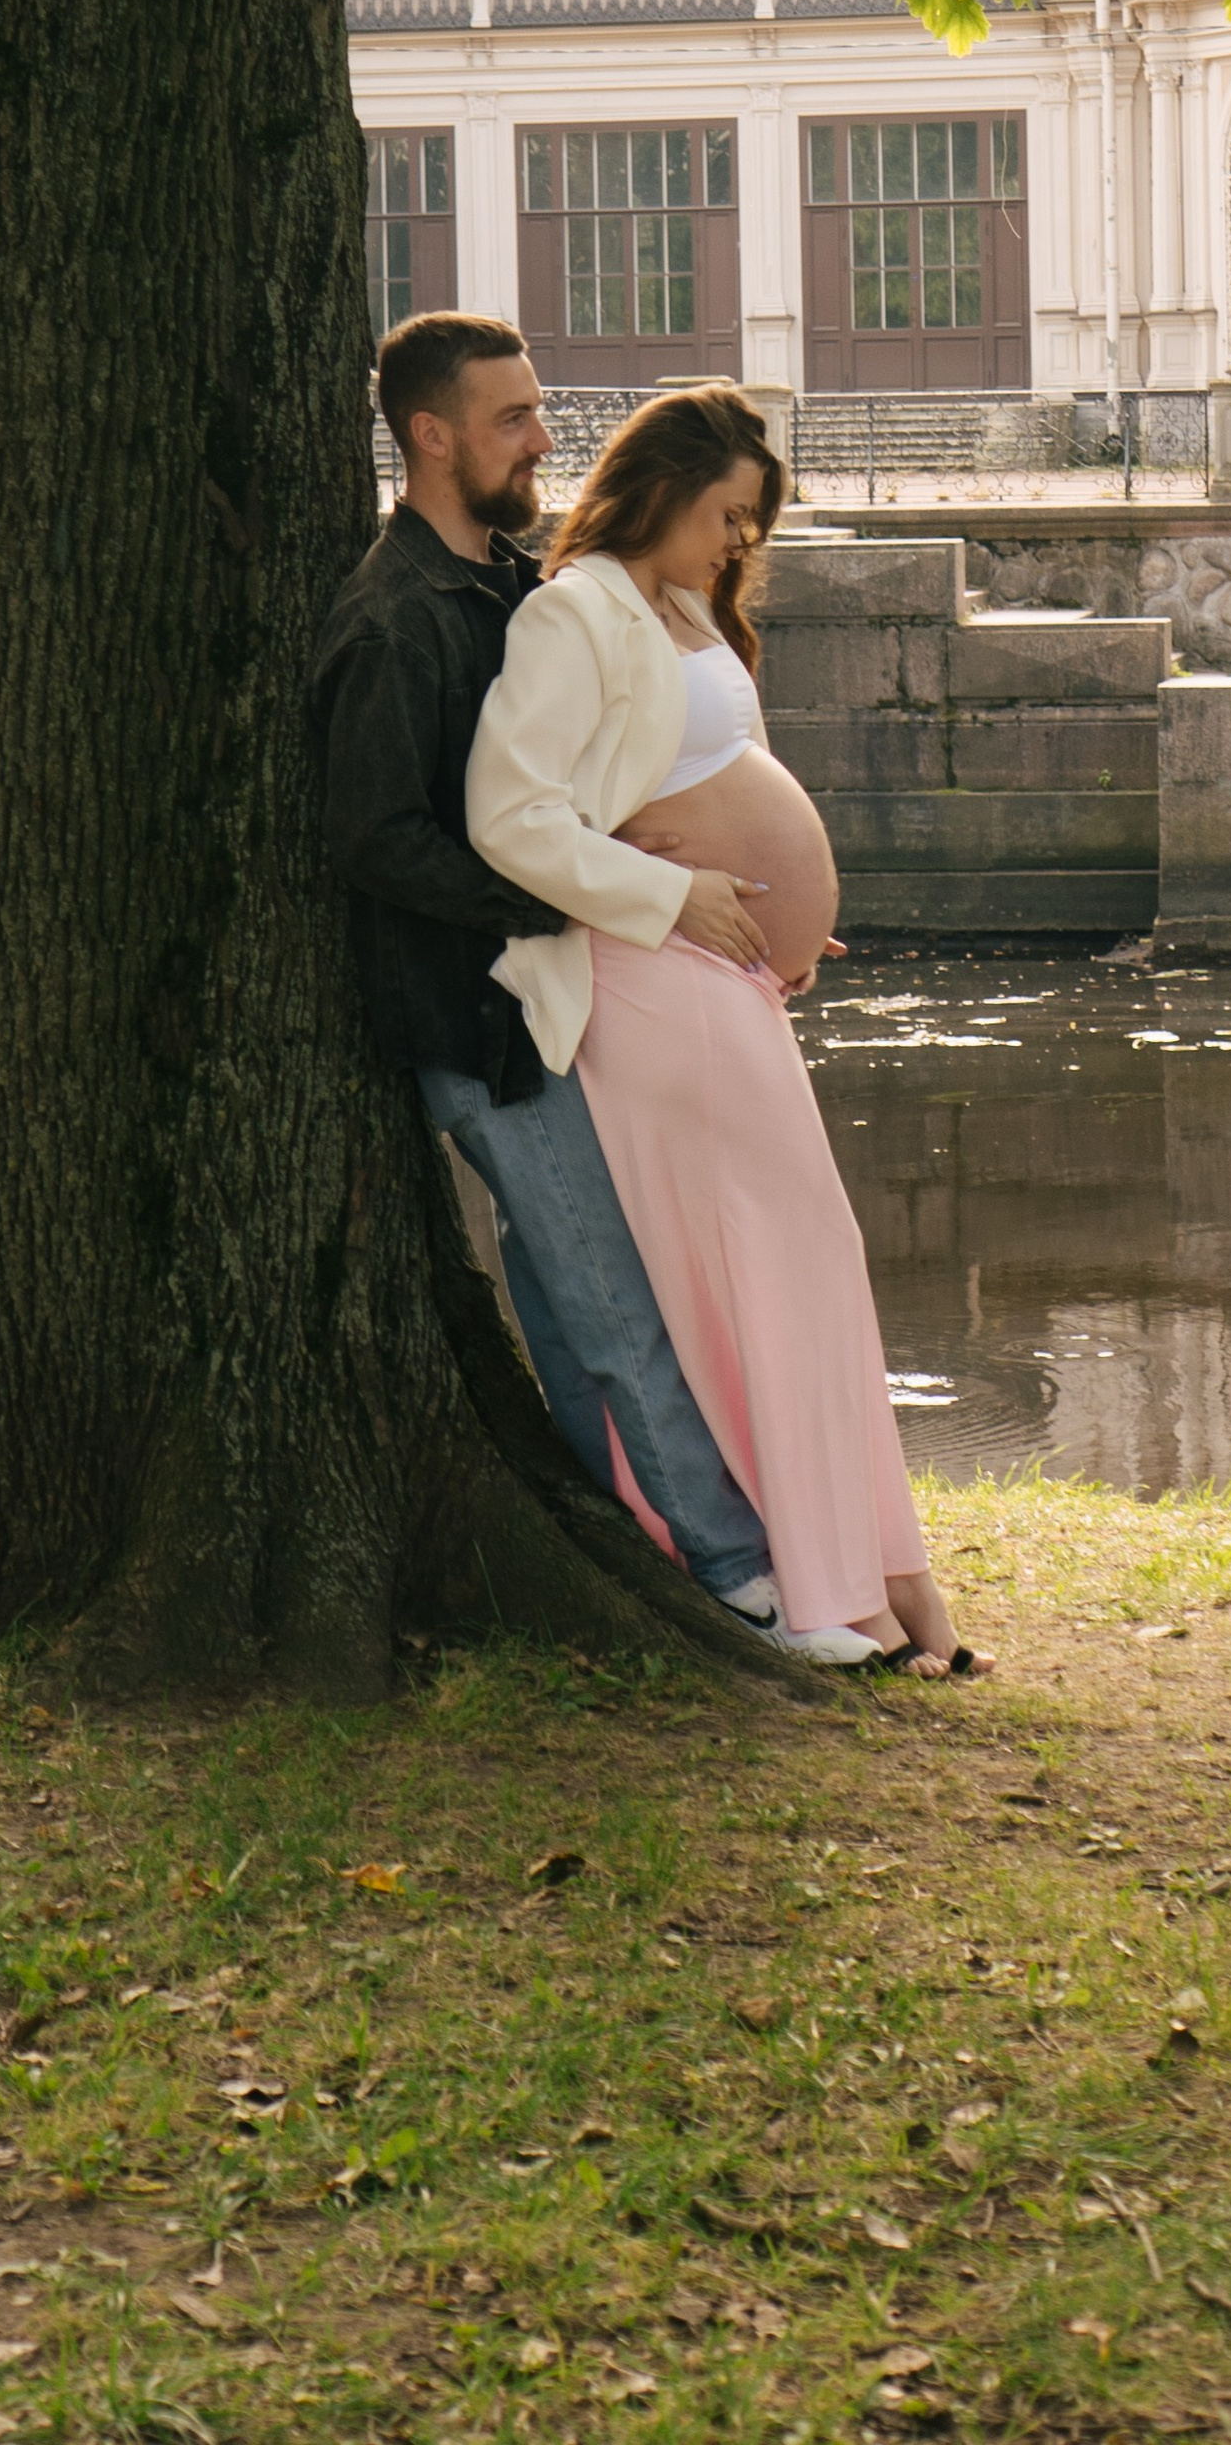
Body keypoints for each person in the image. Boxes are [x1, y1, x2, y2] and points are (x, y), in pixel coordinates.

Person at [313, 311, 852, 1655]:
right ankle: (736, 1574)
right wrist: (599, 888)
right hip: (476, 1017)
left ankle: (620, 1533)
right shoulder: (392, 619)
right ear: (432, 436)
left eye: (540, 410)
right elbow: (378, 840)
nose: (544, 438)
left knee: (567, 1300)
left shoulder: (509, 579)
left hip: (557, 993)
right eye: (513, 418)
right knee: (609, 1297)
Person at [466, 385, 989, 1678]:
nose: (740, 543)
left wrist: (786, 918)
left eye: (754, 522)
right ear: (658, 491)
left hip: (721, 975)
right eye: (727, 515)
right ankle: (814, 1581)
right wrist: (680, 896)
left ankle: (881, 1575)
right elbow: (509, 818)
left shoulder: (686, 608)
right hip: (646, 974)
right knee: (758, 1263)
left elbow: (708, 780)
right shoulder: (571, 613)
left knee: (805, 1255)